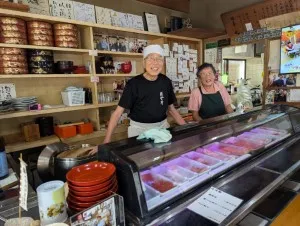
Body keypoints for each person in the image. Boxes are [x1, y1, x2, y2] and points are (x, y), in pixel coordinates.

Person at [103, 44, 186, 143]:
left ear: (163, 63)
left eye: (159, 59)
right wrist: (106, 141)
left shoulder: (165, 82)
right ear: (144, 62)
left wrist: (187, 127)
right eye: (151, 58)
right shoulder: (133, 84)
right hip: (139, 131)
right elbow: (117, 114)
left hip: (162, 129)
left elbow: (171, 109)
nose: (155, 63)